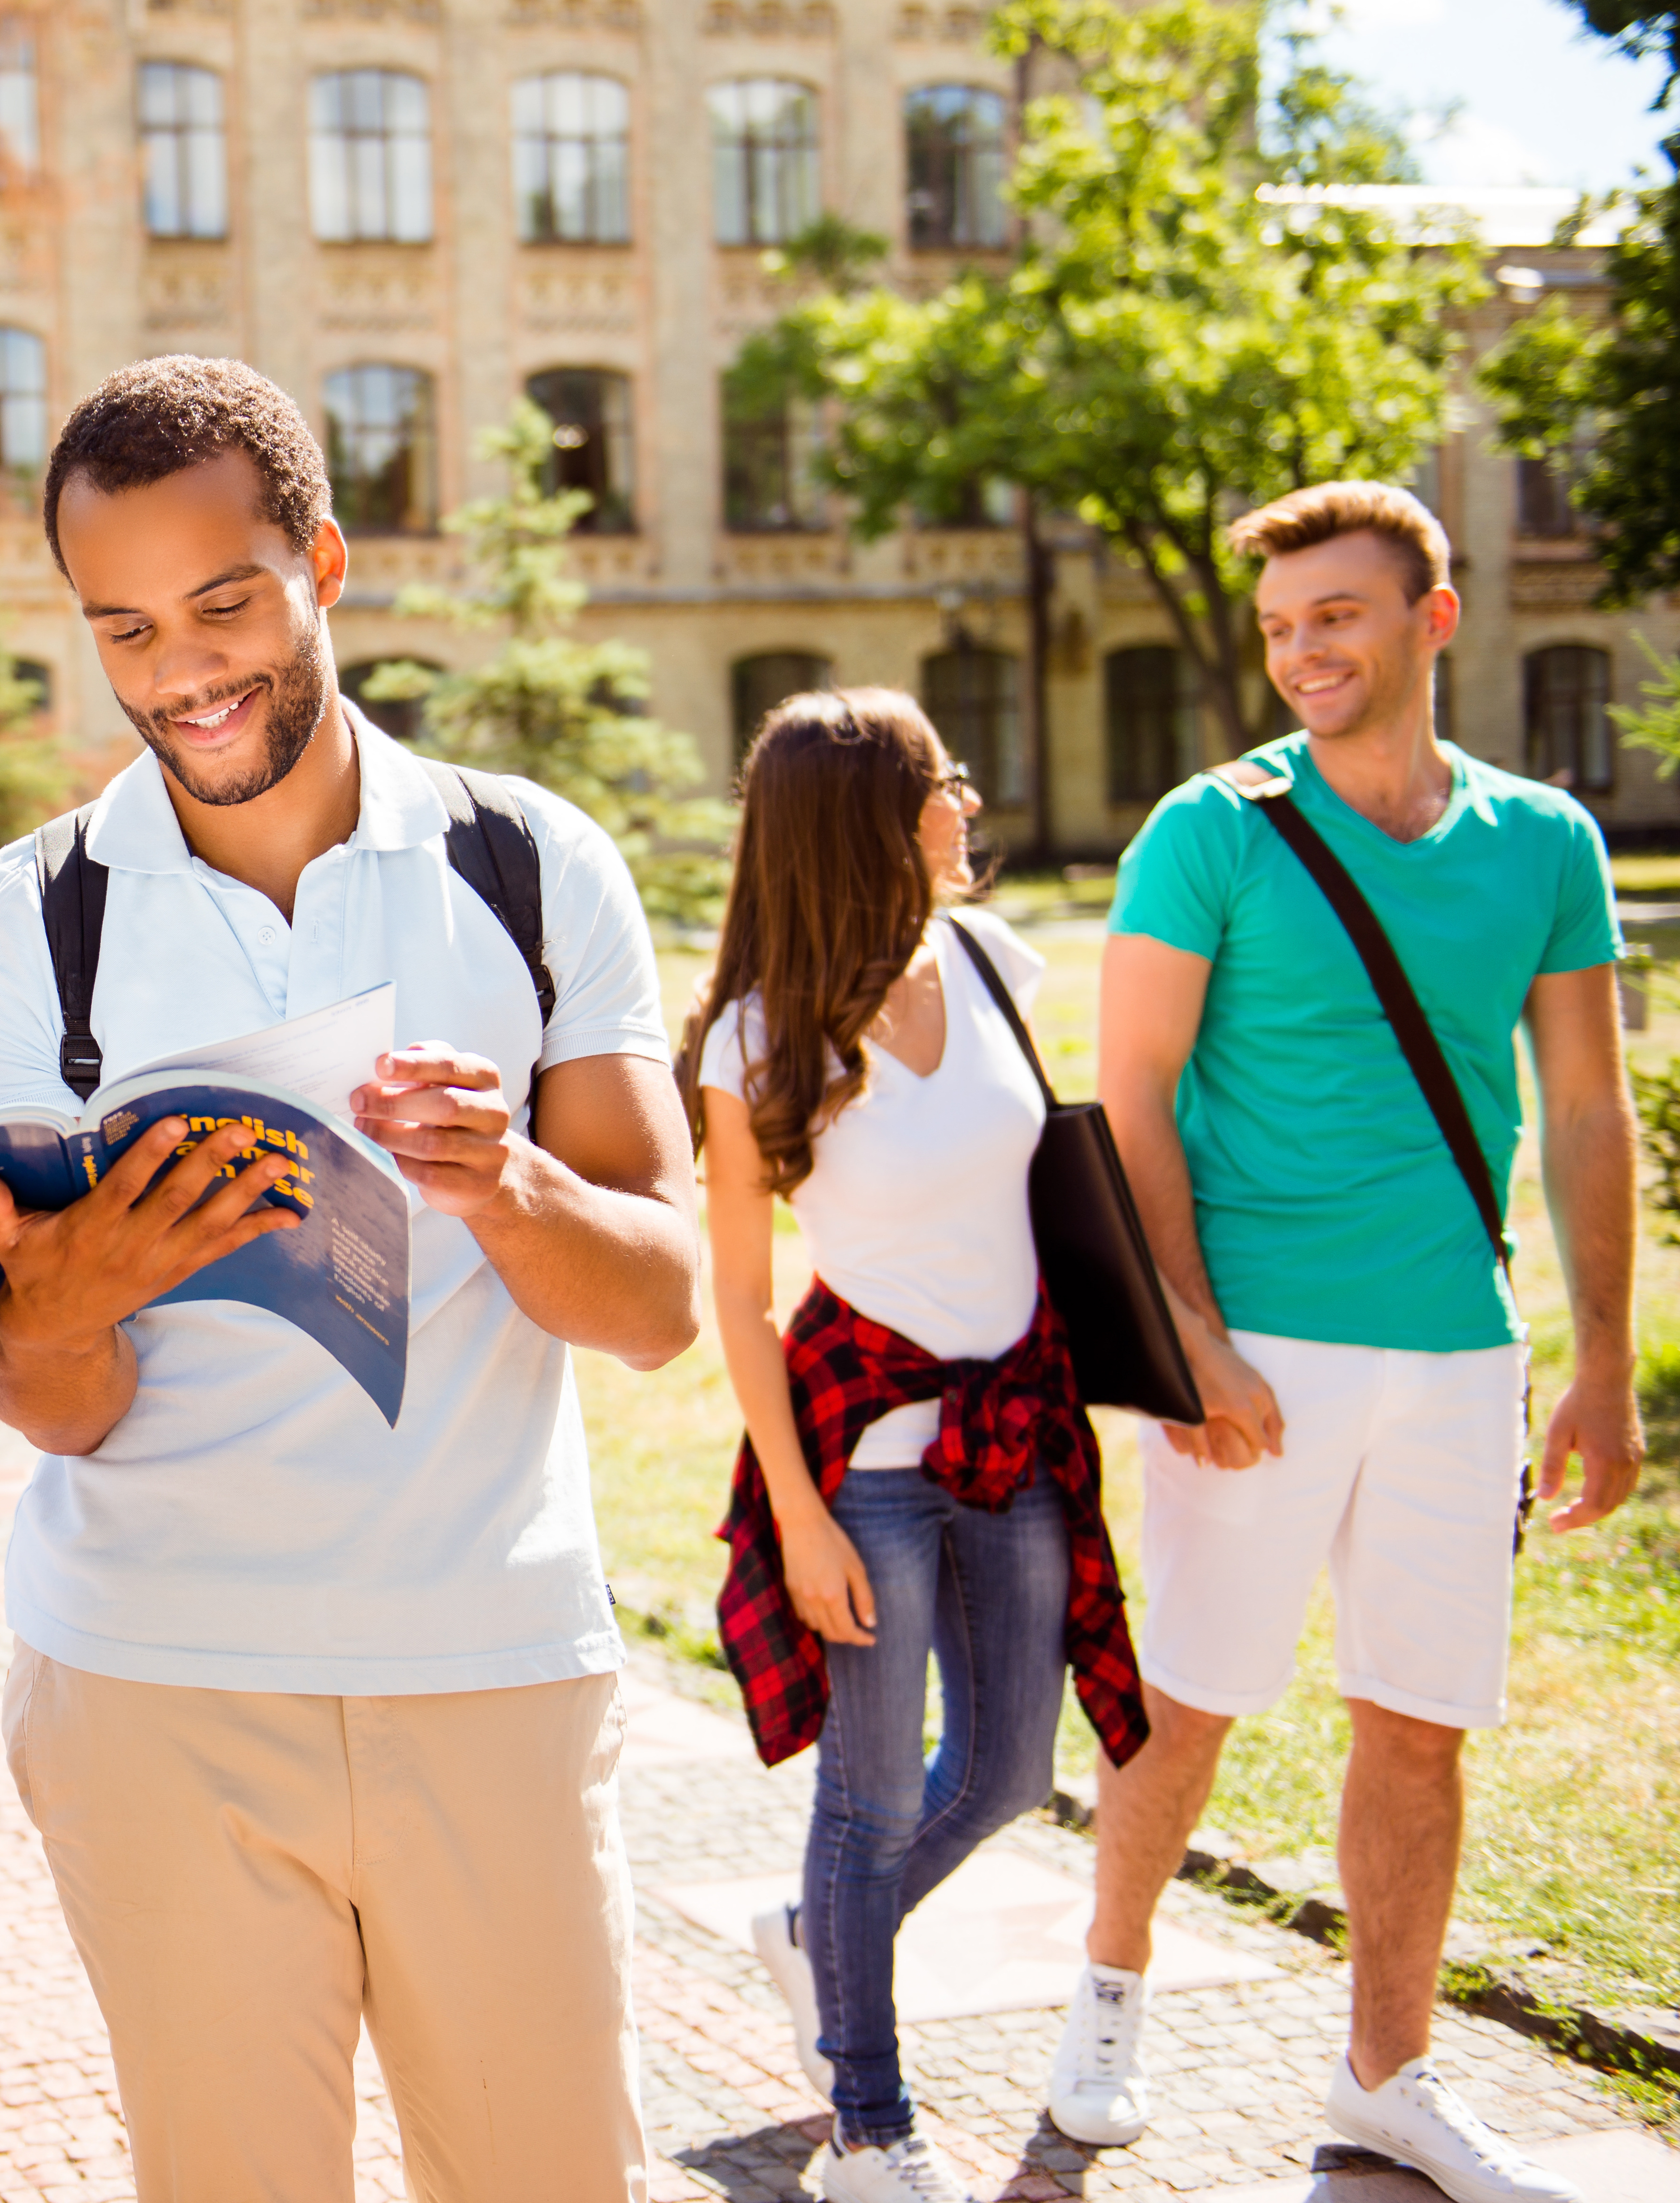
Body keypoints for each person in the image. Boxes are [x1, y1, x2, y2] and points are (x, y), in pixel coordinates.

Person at [0, 356, 699, 2203]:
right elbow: (46, 1404)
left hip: (487, 1669)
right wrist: (75, 1289)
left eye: (223, 603)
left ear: (323, 561)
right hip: (156, 1686)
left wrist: (501, 1183)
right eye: (123, 627)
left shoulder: (526, 867)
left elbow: (661, 1302)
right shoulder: (30, 928)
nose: (180, 670)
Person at [1051, 482, 1637, 2203]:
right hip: (1260, 1352)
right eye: (1282, 623)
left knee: (1420, 1722)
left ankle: (1388, 2075)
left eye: (1338, 615)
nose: (1302, 649)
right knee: (1198, 1693)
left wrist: (1598, 1360)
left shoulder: (1545, 843)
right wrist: (1187, 1332)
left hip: (1460, 1348)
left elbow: (1587, 1110)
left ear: (1432, 618)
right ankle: (1108, 1986)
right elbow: (1132, 1093)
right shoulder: (1212, 829)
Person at [684, 689, 1146, 2203]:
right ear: (874, 820)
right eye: (942, 780)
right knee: (867, 1797)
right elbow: (738, 1302)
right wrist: (799, 1516)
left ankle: (821, 1933)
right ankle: (866, 2121)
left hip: (1012, 1430)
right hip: (867, 1462)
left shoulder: (993, 963)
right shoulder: (759, 1039)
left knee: (1010, 1768)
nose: (965, 802)